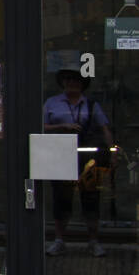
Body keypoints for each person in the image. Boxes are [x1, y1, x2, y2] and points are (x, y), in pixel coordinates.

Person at [43, 69, 114, 257]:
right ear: (63, 82)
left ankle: (93, 241)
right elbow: (40, 125)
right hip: (59, 155)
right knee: (61, 198)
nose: (72, 83)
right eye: (68, 80)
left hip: (88, 157)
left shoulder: (91, 104)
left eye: (76, 80)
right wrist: (62, 126)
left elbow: (104, 128)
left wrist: (112, 152)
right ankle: (59, 240)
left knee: (91, 198)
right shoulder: (51, 103)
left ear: (83, 84)